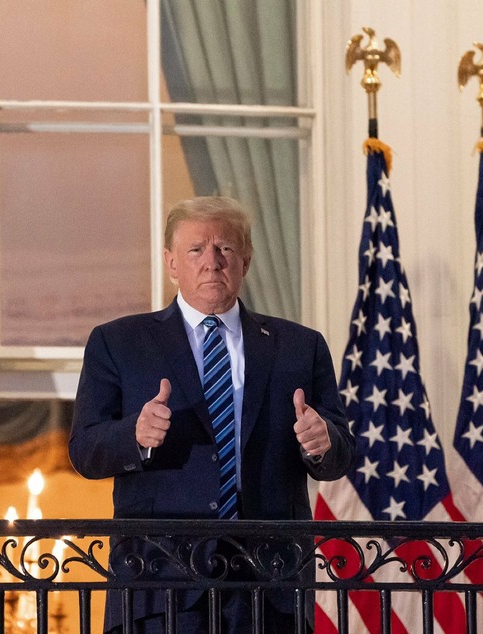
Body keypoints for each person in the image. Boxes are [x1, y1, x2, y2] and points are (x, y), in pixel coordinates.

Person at [68, 196, 354, 633]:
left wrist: (324, 442)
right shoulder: (119, 342)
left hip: (270, 580)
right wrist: (136, 434)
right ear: (171, 263)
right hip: (161, 581)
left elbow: (339, 454)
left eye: (225, 248)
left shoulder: (300, 346)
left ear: (246, 260)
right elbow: (85, 451)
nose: (212, 262)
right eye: (196, 250)